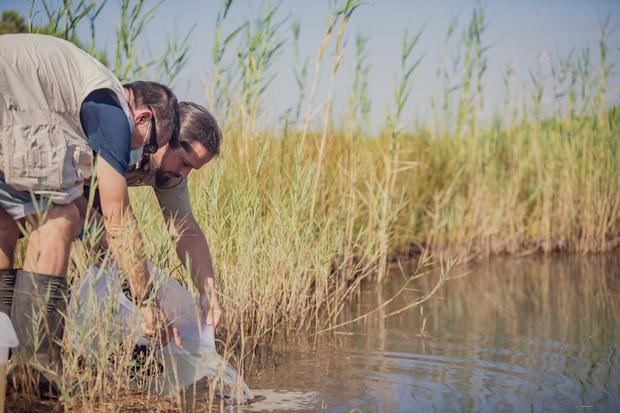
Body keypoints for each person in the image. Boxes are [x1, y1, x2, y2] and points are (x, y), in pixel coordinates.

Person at [0, 33, 179, 390]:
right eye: (152, 145)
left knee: (5, 222)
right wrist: (145, 302)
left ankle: (4, 354)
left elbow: (95, 222)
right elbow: (118, 219)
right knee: (56, 219)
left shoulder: (82, 97)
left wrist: (125, 279)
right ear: (142, 117)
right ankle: (35, 371)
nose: (144, 157)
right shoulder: (112, 111)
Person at [81, 100, 223, 333]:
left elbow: (185, 228)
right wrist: (144, 300)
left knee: (116, 261)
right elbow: (116, 225)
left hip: (90, 188)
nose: (182, 174)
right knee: (108, 249)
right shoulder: (122, 137)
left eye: (191, 169)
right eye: (184, 162)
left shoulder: (172, 172)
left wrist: (208, 293)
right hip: (60, 175)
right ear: (165, 139)